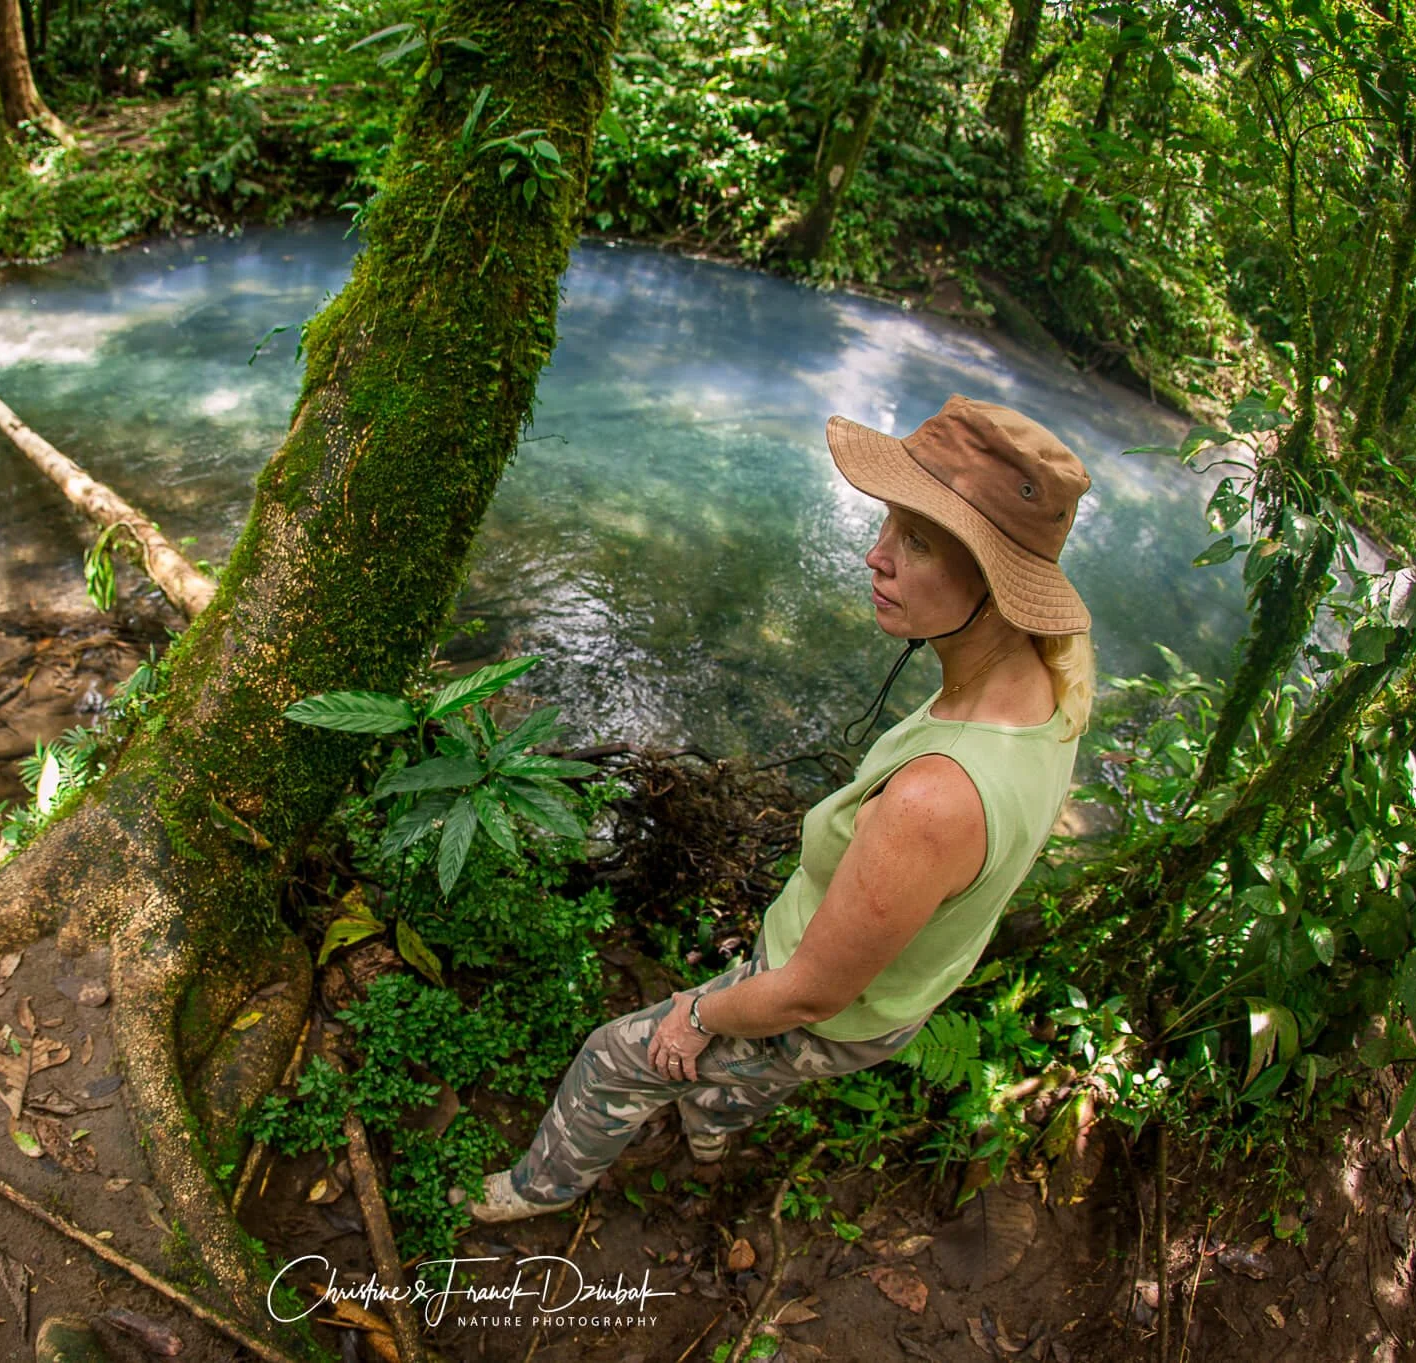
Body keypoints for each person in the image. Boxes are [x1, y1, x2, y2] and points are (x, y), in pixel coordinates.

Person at [459, 394, 1099, 1222]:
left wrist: (695, 1012)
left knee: (615, 1055)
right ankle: (714, 1123)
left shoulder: (934, 800)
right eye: (889, 526)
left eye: (917, 541)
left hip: (829, 1005)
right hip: (892, 1000)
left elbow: (803, 997)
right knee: (749, 1071)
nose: (876, 557)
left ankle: (533, 1192)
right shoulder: (1051, 686)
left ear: (996, 582)